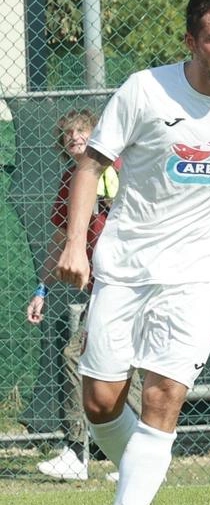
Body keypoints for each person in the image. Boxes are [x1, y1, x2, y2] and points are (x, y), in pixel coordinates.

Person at [55, 0, 210, 505]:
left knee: (162, 397)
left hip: (198, 273)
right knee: (100, 403)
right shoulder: (144, 91)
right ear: (190, 40)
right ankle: (141, 474)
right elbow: (91, 166)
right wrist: (75, 247)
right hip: (126, 266)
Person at [24, 109, 139, 481]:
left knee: (81, 356)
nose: (75, 137)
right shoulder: (69, 182)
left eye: (82, 131)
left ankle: (81, 453)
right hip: (104, 286)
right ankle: (132, 457)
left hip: (133, 280)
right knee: (121, 363)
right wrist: (42, 289)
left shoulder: (121, 168)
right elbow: (60, 240)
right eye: (68, 133)